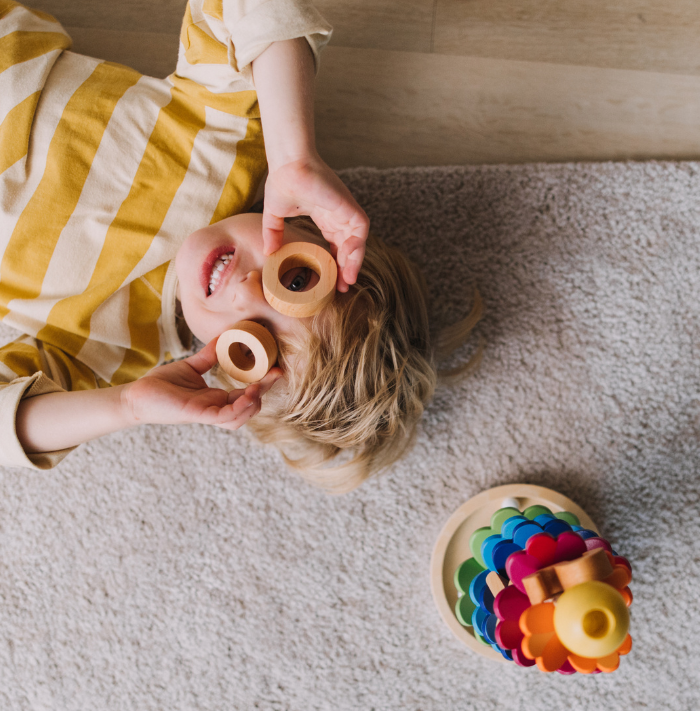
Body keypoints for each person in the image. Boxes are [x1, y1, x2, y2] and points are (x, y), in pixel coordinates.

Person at [0, 0, 479, 492]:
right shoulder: (227, 141)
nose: (248, 290)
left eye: (257, 343)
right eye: (294, 281)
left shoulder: (110, 350)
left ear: (231, 371)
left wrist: (127, 406)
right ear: (316, 235)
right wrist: (294, 156)